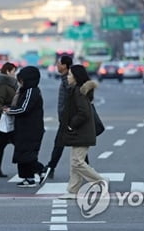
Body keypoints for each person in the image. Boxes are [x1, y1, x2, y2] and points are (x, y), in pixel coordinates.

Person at [59, 64, 106, 200]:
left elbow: (83, 113)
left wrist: (72, 125)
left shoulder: (79, 91)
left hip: (82, 132)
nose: (67, 77)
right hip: (81, 132)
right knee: (75, 162)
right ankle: (73, 190)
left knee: (77, 162)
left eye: (69, 75)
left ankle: (100, 182)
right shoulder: (77, 90)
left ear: (76, 77)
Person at [4, 66, 48, 188]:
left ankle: (41, 169)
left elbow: (24, 108)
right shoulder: (25, 90)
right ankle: (28, 178)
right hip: (23, 128)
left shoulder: (31, 91)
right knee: (21, 153)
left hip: (31, 129)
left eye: (21, 79)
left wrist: (10, 111)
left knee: (26, 154)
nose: (20, 82)